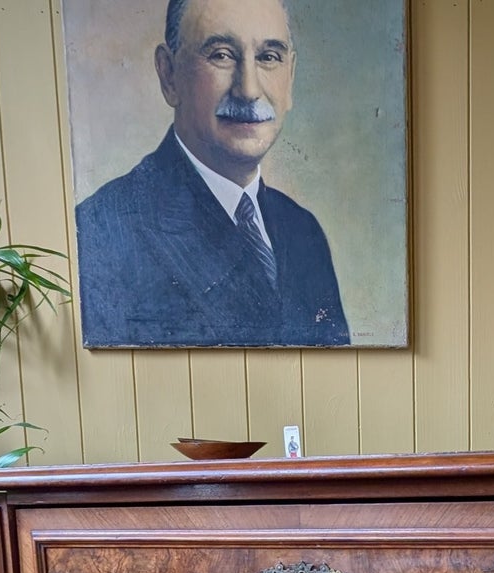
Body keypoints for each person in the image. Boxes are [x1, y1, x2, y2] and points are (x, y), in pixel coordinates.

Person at [75, 0, 350, 349]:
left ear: (290, 78)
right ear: (168, 74)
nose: (249, 89)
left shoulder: (303, 231)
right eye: (221, 54)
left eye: (268, 57)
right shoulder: (103, 231)